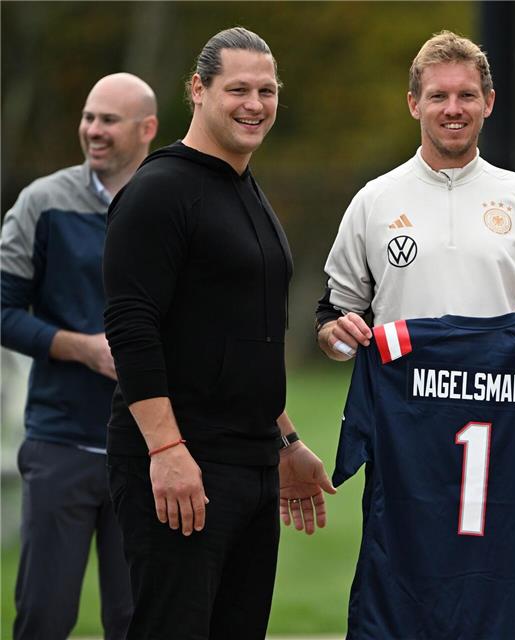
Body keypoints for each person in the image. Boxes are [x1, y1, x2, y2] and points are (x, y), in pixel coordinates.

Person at [102, 27, 335, 639]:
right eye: (237, 89)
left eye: (266, 89)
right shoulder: (158, 191)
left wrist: (285, 444)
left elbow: (243, 336)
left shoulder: (245, 190)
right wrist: (166, 451)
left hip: (252, 464)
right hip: (184, 465)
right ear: (198, 90)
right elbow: (131, 328)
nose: (254, 103)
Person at [1, 72, 157, 640]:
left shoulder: (171, 204)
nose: (92, 130)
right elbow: (1, 309)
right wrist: (80, 349)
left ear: (147, 129)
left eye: (108, 120)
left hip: (148, 451)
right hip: (60, 445)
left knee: (136, 620)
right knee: (43, 616)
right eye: (89, 117)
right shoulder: (41, 204)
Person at [315, 30, 515, 358]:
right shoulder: (374, 200)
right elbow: (333, 318)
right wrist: (338, 338)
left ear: (488, 102)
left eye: (466, 95)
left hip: (499, 407)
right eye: (438, 97)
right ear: (414, 104)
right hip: (402, 406)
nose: (453, 109)